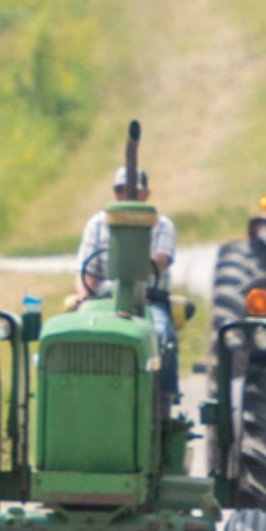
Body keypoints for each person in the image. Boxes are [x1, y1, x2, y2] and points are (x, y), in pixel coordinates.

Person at [75, 165, 179, 398]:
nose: (127, 196)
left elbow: (158, 263)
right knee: (80, 333)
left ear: (146, 194)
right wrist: (83, 299)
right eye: (121, 190)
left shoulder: (162, 225)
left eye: (133, 191)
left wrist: (129, 263)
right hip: (104, 299)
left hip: (149, 299)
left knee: (162, 335)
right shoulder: (97, 224)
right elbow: (87, 271)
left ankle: (163, 396)